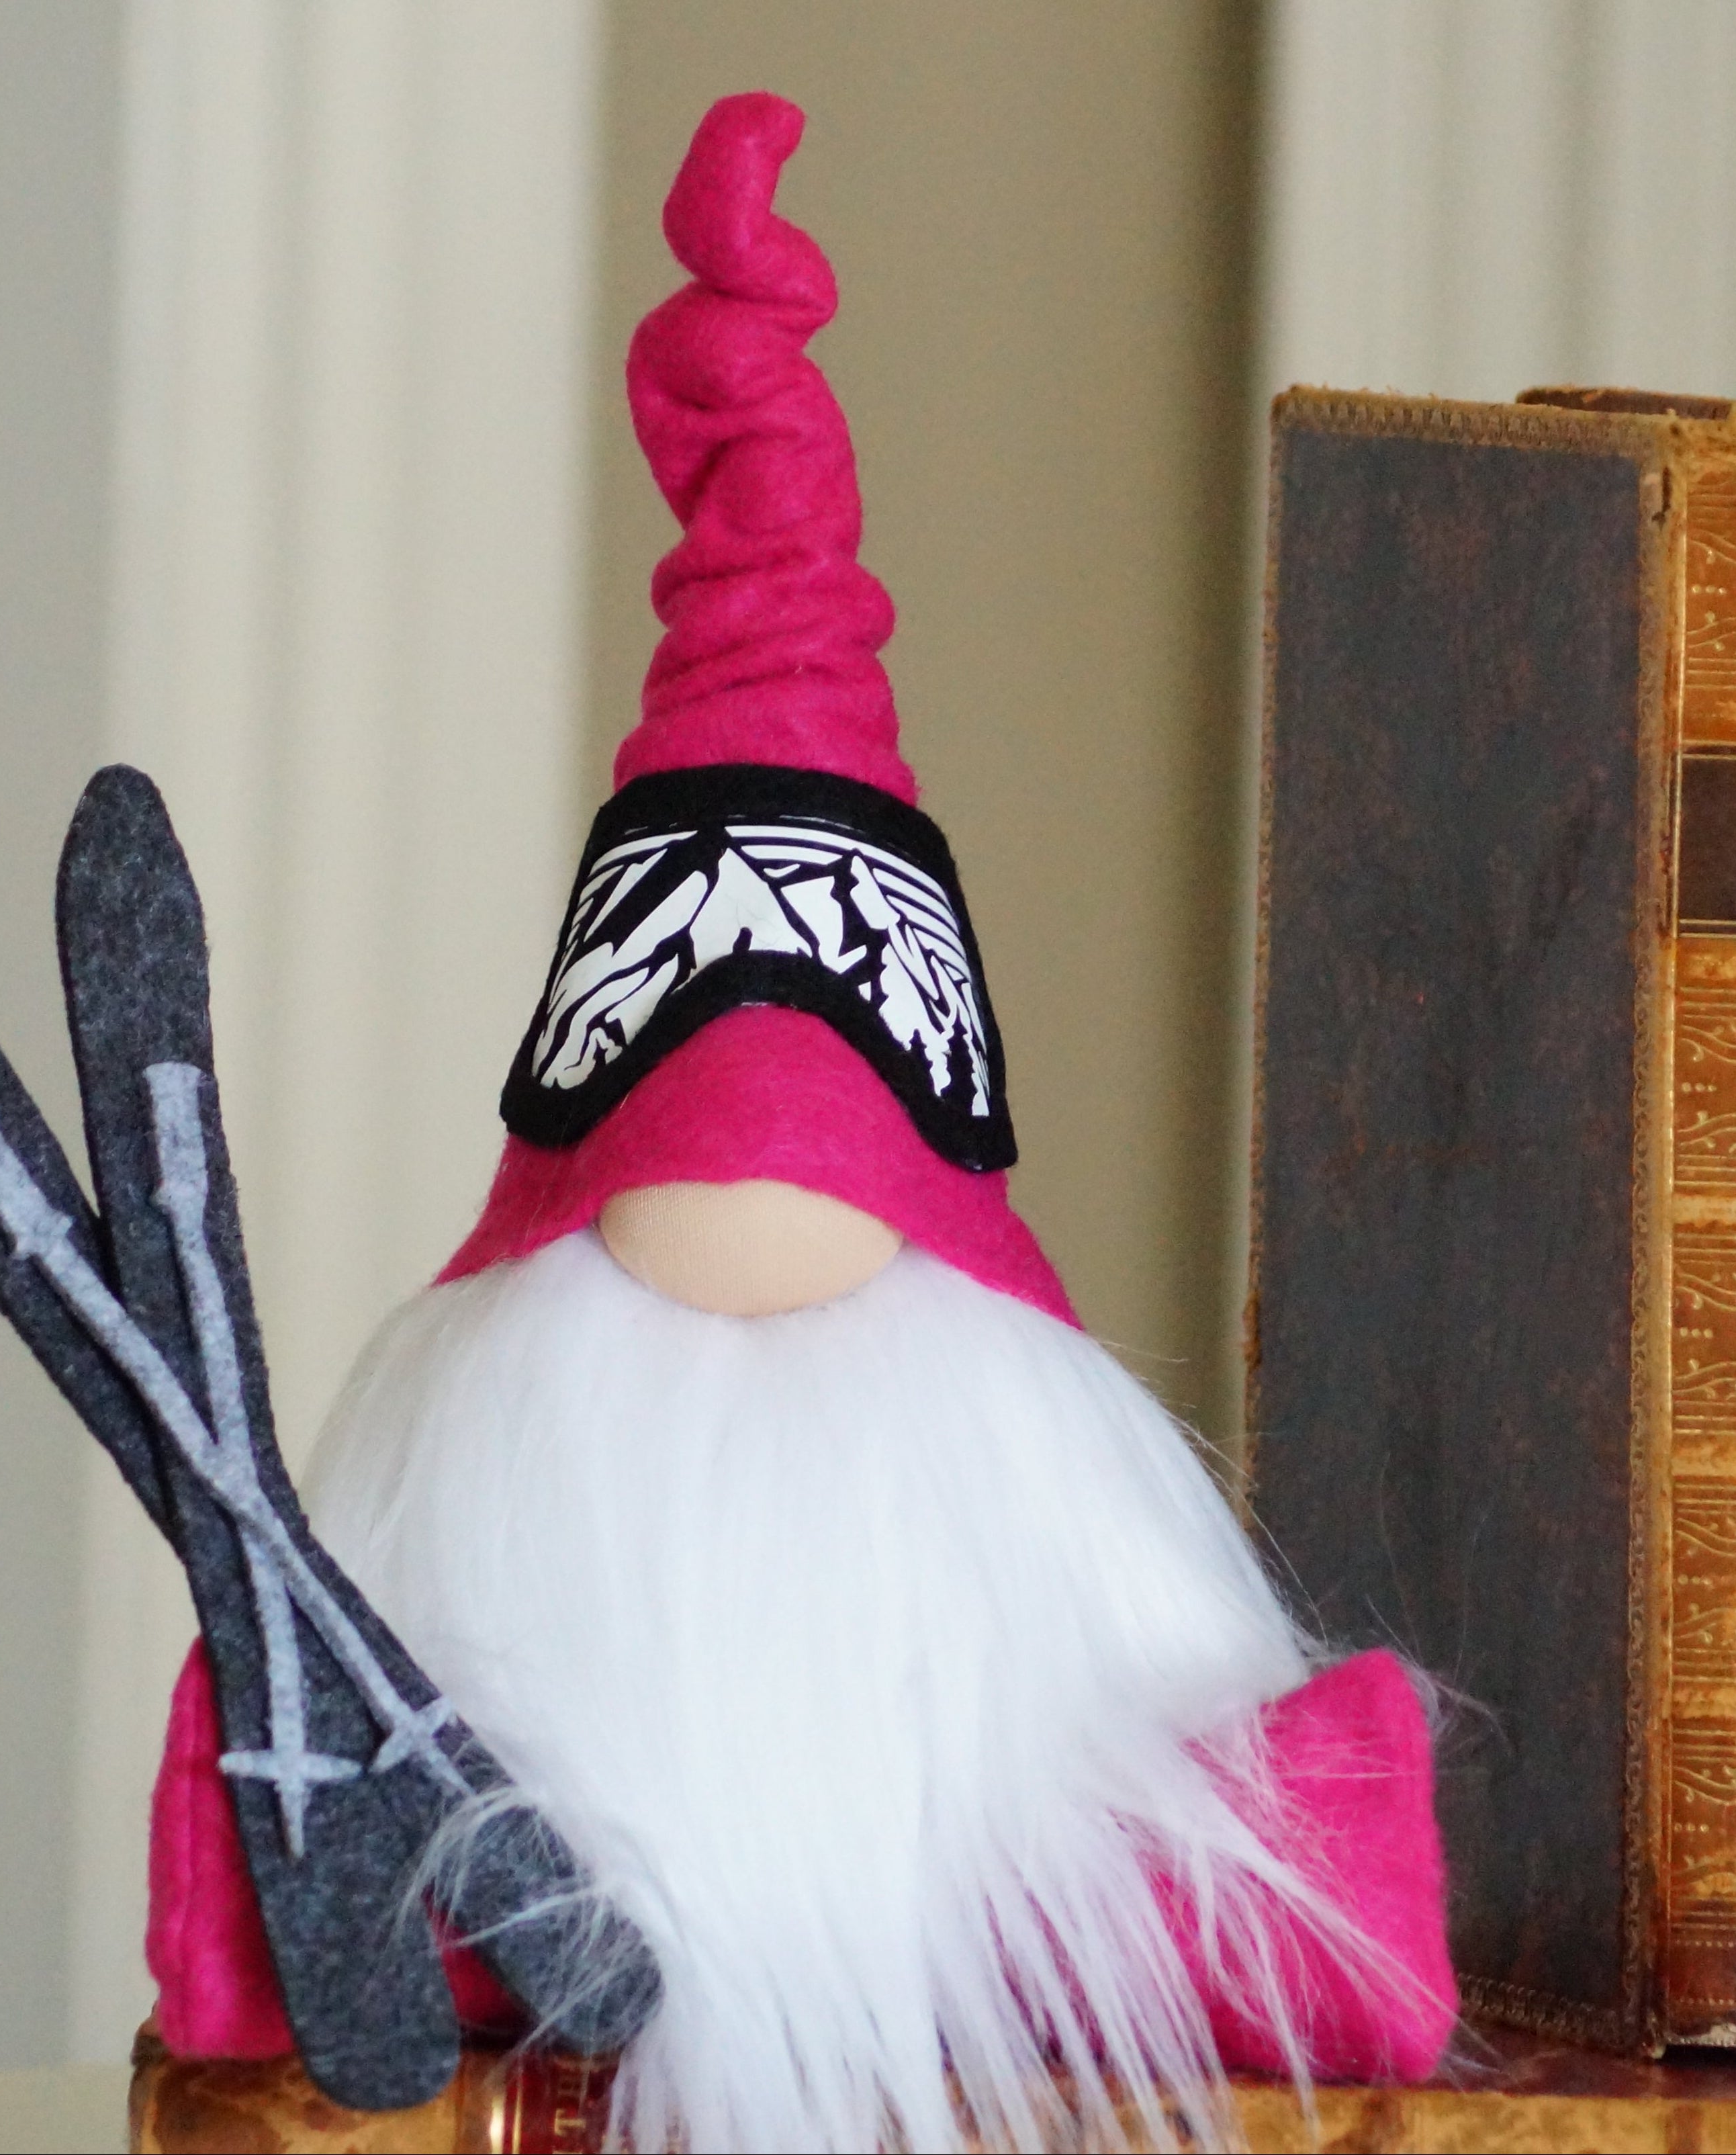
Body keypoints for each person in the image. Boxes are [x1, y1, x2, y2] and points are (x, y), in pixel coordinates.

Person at [144, 90, 1457, 2155]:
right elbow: (252, 1968)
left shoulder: (1142, 1779)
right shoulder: (388, 1762)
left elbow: (1338, 1944)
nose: (744, 1283)